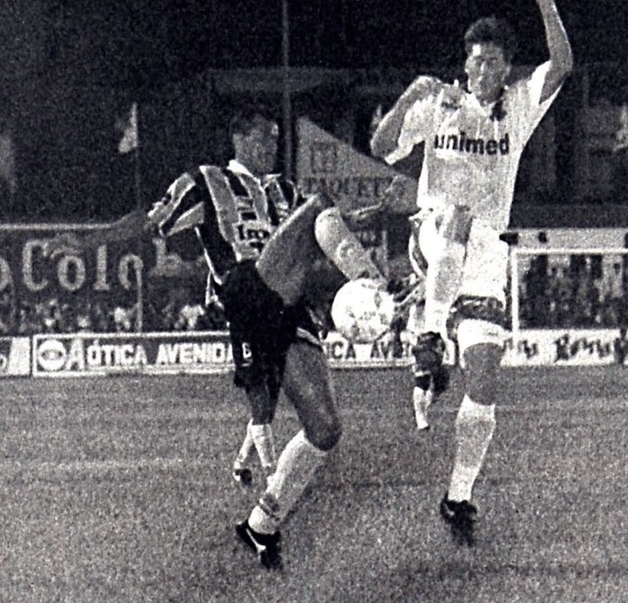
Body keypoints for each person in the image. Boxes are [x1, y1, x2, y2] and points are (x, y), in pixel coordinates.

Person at [46, 107, 382, 569]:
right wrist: (86, 242)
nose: (272, 146)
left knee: (325, 429)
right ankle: (372, 283)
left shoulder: (283, 190)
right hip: (246, 287)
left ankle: (260, 526)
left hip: (288, 305)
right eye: (264, 138)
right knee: (319, 201)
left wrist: (350, 223)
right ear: (239, 138)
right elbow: (149, 221)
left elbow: (319, 229)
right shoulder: (204, 180)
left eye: (276, 139)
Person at [369, 0, 573, 546]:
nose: (486, 71)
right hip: (434, 236)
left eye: (496, 63)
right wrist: (408, 97)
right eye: (477, 61)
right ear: (465, 64)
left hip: (487, 256)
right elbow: (383, 148)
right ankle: (430, 335)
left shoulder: (519, 106)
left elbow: (561, 63)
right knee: (457, 212)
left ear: (507, 69)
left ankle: (458, 497)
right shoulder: (440, 104)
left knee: (483, 386)